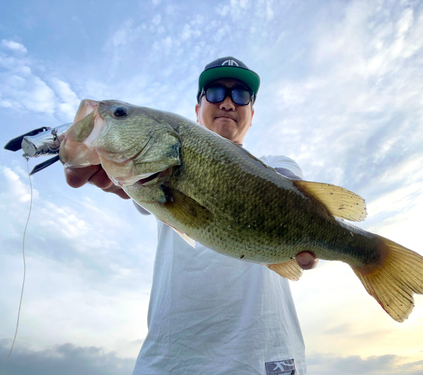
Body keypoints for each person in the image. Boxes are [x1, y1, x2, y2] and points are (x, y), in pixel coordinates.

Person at [65, 57, 318, 374]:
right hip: (172, 364)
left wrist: (316, 231)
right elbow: (137, 190)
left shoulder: (277, 163)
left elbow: (293, 194)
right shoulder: (156, 170)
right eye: (214, 92)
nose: (227, 102)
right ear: (197, 110)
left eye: (241, 95)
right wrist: (117, 176)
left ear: (251, 115)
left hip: (263, 357)